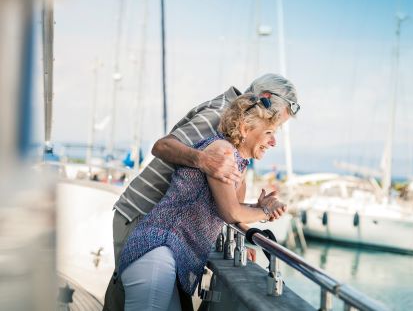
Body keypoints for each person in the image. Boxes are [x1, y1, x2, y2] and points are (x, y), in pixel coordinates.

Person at [103, 74, 300, 311]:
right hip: (145, 218)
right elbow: (161, 146)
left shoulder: (235, 148)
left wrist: (250, 220)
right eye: (273, 127)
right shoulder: (222, 115)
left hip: (166, 237)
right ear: (265, 99)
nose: (273, 139)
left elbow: (227, 206)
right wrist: (203, 160)